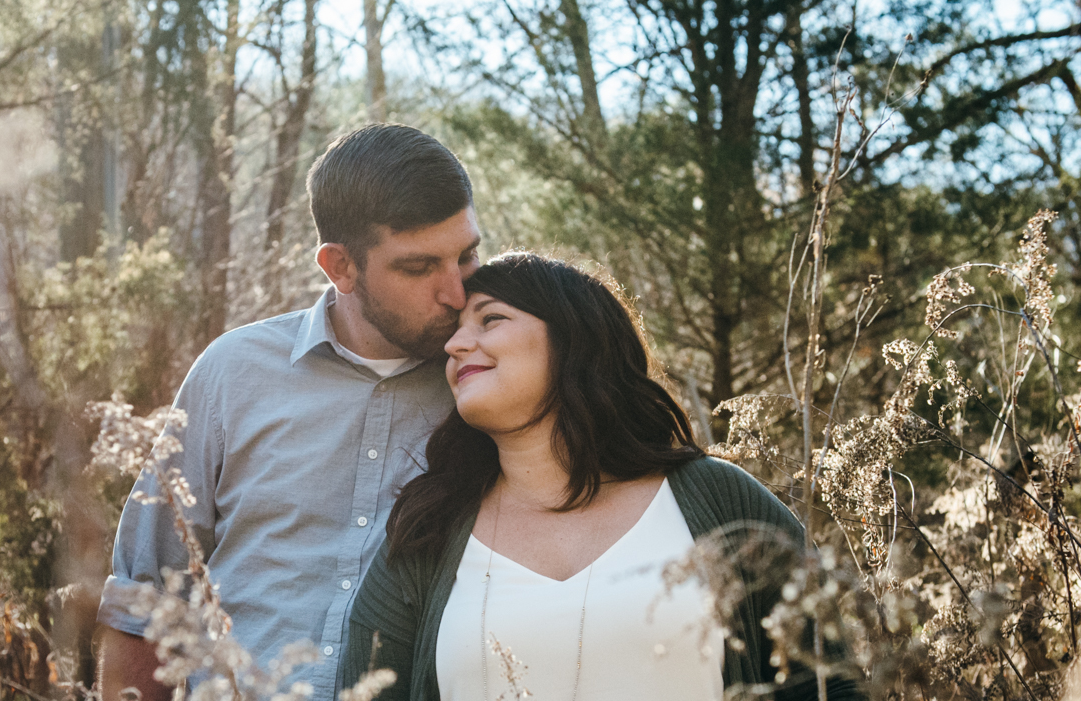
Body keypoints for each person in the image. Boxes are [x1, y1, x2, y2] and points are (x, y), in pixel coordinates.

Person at [338, 252, 851, 701]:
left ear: (573, 337)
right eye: (453, 334)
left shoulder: (717, 499)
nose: (455, 346)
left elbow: (836, 683)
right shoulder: (427, 531)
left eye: (489, 320)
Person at [98, 123, 482, 701]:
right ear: (340, 267)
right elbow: (142, 599)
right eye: (418, 267)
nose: (456, 292)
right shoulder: (234, 372)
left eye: (468, 255)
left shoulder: (489, 384)